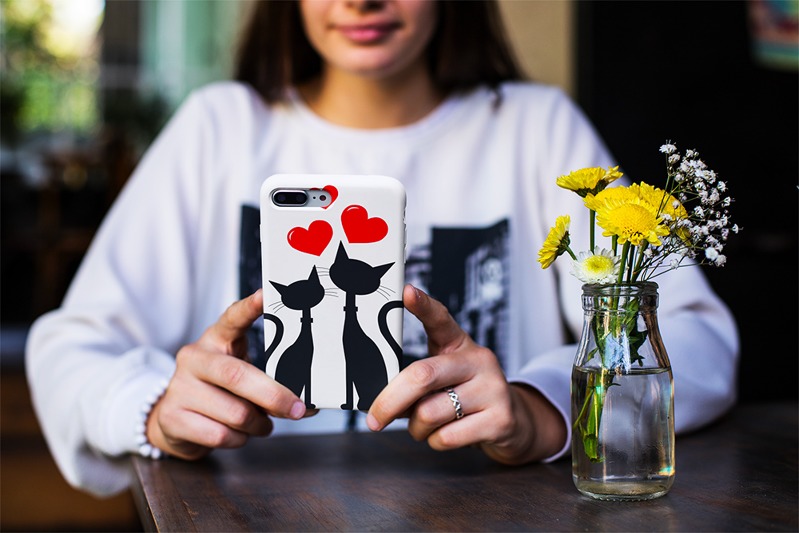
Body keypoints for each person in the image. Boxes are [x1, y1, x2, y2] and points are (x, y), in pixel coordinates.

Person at [25, 0, 739, 497]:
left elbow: (694, 336)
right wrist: (154, 409)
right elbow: (70, 346)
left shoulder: (536, 126)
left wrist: (540, 406)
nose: (361, 1)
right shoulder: (219, 128)